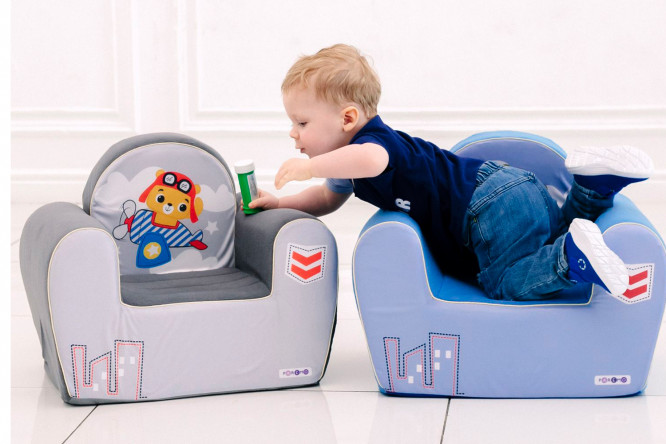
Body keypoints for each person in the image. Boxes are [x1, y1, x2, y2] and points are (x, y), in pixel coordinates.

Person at [249, 43, 653, 301]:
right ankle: (593, 188)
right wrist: (280, 202)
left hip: (485, 206)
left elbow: (372, 161)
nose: (293, 132)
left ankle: (570, 259)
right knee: (554, 232)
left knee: (504, 282)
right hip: (513, 185)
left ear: (348, 118)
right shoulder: (347, 164)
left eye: (302, 123)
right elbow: (325, 198)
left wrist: (308, 166)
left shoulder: (373, 145)